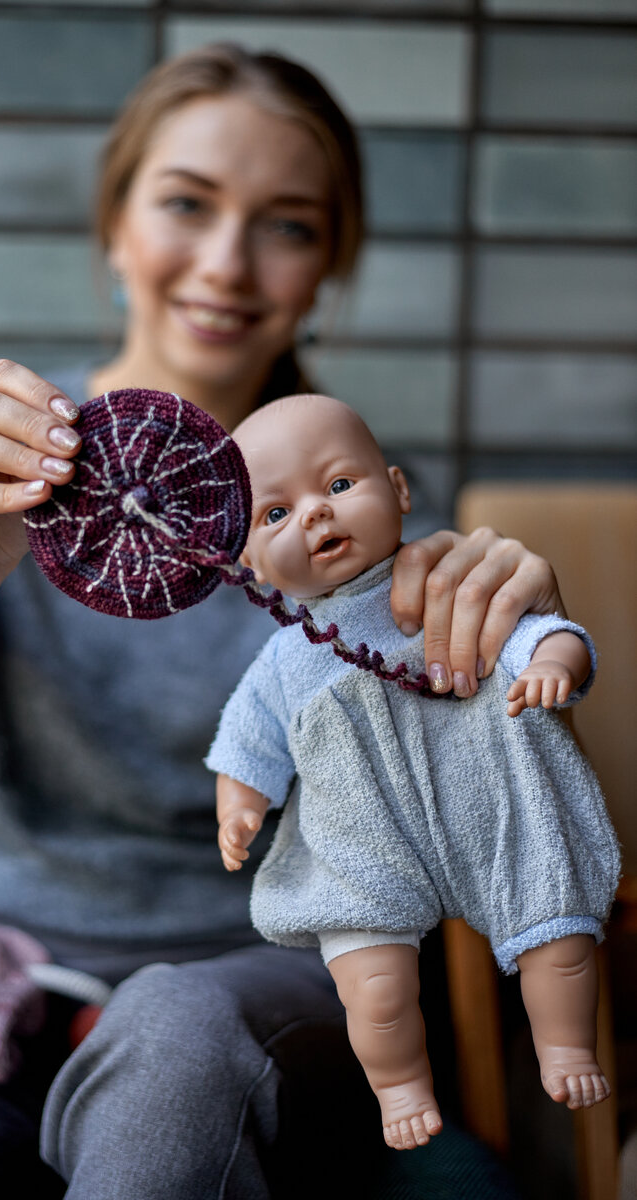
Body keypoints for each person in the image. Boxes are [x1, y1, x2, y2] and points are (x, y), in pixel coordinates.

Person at [0, 43, 567, 1199]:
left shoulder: (368, 522)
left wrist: (514, 647)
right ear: (115, 223)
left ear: (328, 264)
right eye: (186, 203)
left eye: (286, 226)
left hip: (254, 962)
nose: (226, 264)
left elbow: (452, 788)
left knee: (178, 1040)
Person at [209, 392, 620, 1154]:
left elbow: (546, 632)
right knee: (373, 986)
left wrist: (554, 665)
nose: (316, 514)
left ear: (397, 490)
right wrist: (241, 803)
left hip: (493, 805)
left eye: (339, 485)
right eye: (276, 514)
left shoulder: (442, 590)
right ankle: (399, 1085)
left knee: (558, 932)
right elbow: (247, 739)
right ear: (248, 563)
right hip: (366, 842)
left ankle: (565, 1047)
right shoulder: (285, 657)